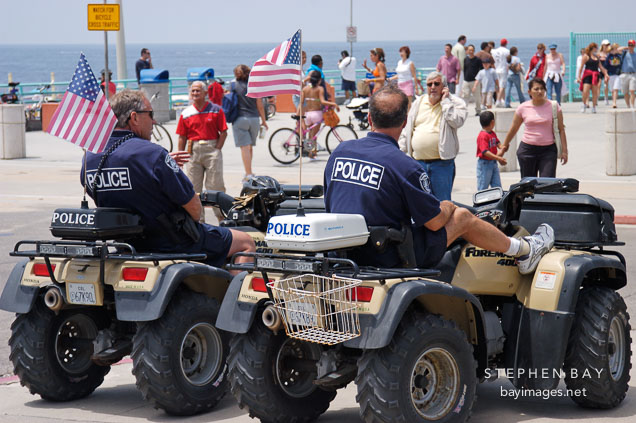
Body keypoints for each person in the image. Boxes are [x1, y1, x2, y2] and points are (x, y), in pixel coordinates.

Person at [324, 85, 554, 274]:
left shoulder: (340, 152)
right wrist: (448, 205)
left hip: (345, 252)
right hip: (389, 257)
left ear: (369, 117)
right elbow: (433, 222)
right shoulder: (404, 166)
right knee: (463, 216)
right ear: (405, 122)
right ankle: (523, 250)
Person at [81, 89, 254, 269]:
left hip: (128, 244)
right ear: (134, 118)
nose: (154, 121)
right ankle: (236, 297)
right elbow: (195, 209)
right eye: (150, 114)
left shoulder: (90, 158)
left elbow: (119, 187)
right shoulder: (152, 154)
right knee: (246, 242)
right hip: (173, 243)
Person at [398, 71, 467, 201]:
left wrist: (445, 102)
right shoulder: (418, 103)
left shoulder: (455, 103)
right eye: (429, 84)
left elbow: (457, 121)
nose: (433, 87)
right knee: (419, 204)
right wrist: (398, 152)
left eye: (437, 84)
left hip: (441, 165)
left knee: (442, 205)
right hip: (418, 164)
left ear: (444, 86)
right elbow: (407, 130)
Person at [176, 81, 227, 223]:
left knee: (216, 185)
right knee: (193, 188)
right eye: (193, 91)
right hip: (193, 151)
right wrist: (180, 156)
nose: (195, 93)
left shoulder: (216, 110)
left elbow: (223, 132)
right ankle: (199, 222)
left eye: (198, 91)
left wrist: (217, 148)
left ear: (205, 93)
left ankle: (222, 218)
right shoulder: (186, 113)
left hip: (211, 149)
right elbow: (182, 136)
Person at [502, 78, 568, 178]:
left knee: (547, 185)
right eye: (536, 89)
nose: (540, 91)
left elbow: (561, 129)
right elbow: (514, 128)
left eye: (542, 89)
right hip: (527, 150)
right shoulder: (522, 108)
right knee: (528, 186)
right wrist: (504, 146)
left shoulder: (554, 106)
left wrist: (564, 151)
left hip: (548, 151)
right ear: (529, 92)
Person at [228, 64, 268, 180]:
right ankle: (249, 171)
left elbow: (228, 100)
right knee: (250, 147)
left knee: (244, 147)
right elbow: (260, 105)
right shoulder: (254, 85)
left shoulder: (233, 85)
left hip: (240, 119)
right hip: (254, 119)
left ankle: (248, 173)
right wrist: (264, 121)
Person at [298, 71, 339, 158]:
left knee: (311, 134)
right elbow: (322, 101)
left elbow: (301, 102)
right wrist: (334, 104)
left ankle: (311, 153)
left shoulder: (305, 89)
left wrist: (298, 114)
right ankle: (312, 154)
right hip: (317, 114)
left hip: (307, 115)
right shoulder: (320, 89)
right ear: (319, 80)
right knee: (314, 136)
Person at [476, 111, 506, 190]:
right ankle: (480, 202)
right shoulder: (483, 135)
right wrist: (498, 158)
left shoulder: (492, 133)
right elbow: (485, 152)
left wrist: (502, 147)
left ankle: (497, 201)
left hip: (493, 163)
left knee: (497, 187)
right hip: (485, 164)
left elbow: (497, 142)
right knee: (483, 188)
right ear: (492, 122)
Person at [578, 42, 609, 114]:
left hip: (595, 75)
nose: (597, 49)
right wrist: (579, 76)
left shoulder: (597, 57)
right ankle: (584, 104)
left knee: (595, 92)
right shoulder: (586, 56)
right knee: (585, 91)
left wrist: (606, 74)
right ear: (593, 48)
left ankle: (594, 107)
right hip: (587, 75)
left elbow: (601, 67)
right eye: (596, 48)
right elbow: (581, 66)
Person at [462, 44, 482, 115]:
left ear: (474, 50)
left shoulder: (478, 60)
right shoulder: (465, 59)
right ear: (467, 51)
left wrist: (478, 81)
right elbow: (464, 70)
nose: (471, 51)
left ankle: (478, 111)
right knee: (465, 96)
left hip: (475, 81)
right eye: (469, 50)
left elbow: (480, 71)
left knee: (477, 97)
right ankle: (464, 111)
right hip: (466, 81)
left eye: (472, 50)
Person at [491, 38, 510, 107]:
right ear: (506, 44)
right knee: (503, 86)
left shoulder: (494, 51)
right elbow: (508, 61)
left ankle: (502, 100)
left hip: (496, 69)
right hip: (503, 70)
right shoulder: (507, 51)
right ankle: (498, 100)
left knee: (497, 85)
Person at [604, 43, 623, 109]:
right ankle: (613, 101)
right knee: (612, 90)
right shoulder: (609, 56)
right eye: (613, 48)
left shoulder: (619, 56)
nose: (614, 50)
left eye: (615, 48)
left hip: (618, 74)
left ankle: (614, 103)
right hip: (611, 74)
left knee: (616, 89)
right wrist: (606, 75)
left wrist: (619, 49)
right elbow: (606, 67)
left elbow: (624, 49)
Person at [619, 40, 636, 108]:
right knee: (625, 92)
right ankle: (628, 105)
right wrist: (626, 47)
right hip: (624, 74)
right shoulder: (624, 53)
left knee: (632, 90)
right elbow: (617, 49)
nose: (630, 47)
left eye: (632, 45)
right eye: (629, 45)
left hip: (633, 74)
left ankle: (632, 105)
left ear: (634, 46)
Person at [599, 40, 611, 105]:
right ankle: (596, 98)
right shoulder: (599, 53)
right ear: (602, 45)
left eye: (608, 45)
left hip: (607, 70)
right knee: (598, 84)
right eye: (606, 45)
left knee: (606, 84)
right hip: (600, 70)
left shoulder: (609, 53)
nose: (607, 46)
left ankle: (606, 98)